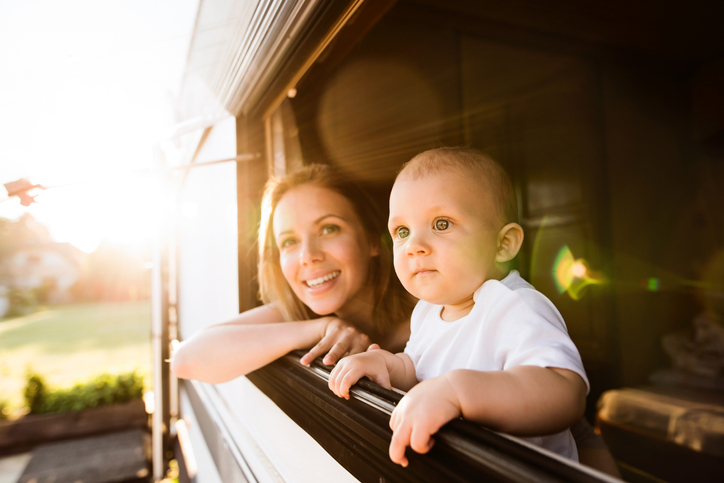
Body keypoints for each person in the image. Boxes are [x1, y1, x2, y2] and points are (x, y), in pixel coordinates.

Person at [328, 147, 589, 466]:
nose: (414, 247)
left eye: (441, 224)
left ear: (503, 244)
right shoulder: (427, 310)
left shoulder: (514, 305)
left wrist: (458, 392)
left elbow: (564, 393)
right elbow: (418, 371)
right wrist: (387, 365)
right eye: (402, 231)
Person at [171, 164, 415, 384]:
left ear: (372, 239)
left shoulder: (434, 313)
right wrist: (321, 328)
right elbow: (187, 359)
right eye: (289, 241)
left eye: (329, 229)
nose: (307, 255)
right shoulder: (298, 312)